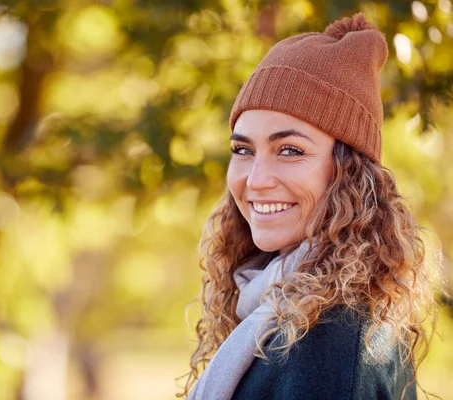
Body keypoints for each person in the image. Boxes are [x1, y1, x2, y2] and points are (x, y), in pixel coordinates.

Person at [179, 12, 442, 400]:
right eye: (243, 149)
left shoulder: (332, 341)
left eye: (290, 150)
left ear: (348, 173)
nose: (255, 179)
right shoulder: (282, 315)